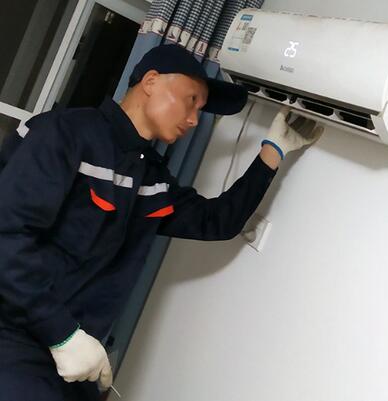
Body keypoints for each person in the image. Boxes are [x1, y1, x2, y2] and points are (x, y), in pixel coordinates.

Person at [0, 44, 322, 400]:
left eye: (200, 109)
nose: (194, 119)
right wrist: (61, 333)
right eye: (191, 100)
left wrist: (273, 150)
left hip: (78, 362)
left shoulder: (151, 179)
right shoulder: (65, 133)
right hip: (16, 341)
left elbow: (217, 221)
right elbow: (6, 236)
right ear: (151, 81)